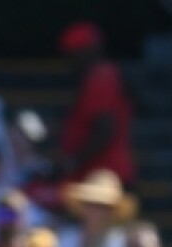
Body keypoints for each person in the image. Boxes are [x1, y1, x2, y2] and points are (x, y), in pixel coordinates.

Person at [57, 22, 135, 187]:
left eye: (74, 54)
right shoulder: (96, 77)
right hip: (101, 176)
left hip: (105, 178)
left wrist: (74, 161)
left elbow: (105, 129)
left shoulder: (100, 77)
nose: (71, 62)